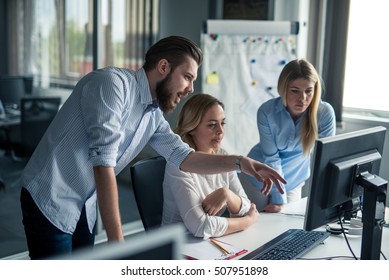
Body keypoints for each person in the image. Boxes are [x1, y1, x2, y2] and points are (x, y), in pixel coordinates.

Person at [20, 36, 286, 259]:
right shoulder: (112, 85)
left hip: (84, 203)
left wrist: (241, 162)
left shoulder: (152, 114)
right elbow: (103, 164)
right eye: (187, 77)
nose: (190, 88)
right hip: (51, 196)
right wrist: (118, 245)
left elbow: (184, 157)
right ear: (163, 67)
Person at [241, 58, 336, 213]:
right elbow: (272, 158)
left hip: (293, 182)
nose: (303, 99)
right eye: (295, 90)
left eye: (308, 91)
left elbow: (324, 159)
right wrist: (279, 199)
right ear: (283, 88)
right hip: (258, 178)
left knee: (288, 228)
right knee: (253, 224)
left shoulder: (324, 113)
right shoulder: (266, 112)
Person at [162, 93, 260, 239]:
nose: (220, 131)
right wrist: (247, 221)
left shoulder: (223, 157)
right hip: (179, 246)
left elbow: (245, 206)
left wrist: (226, 194)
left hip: (210, 242)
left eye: (222, 123)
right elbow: (201, 227)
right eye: (212, 125)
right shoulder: (178, 164)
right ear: (192, 128)